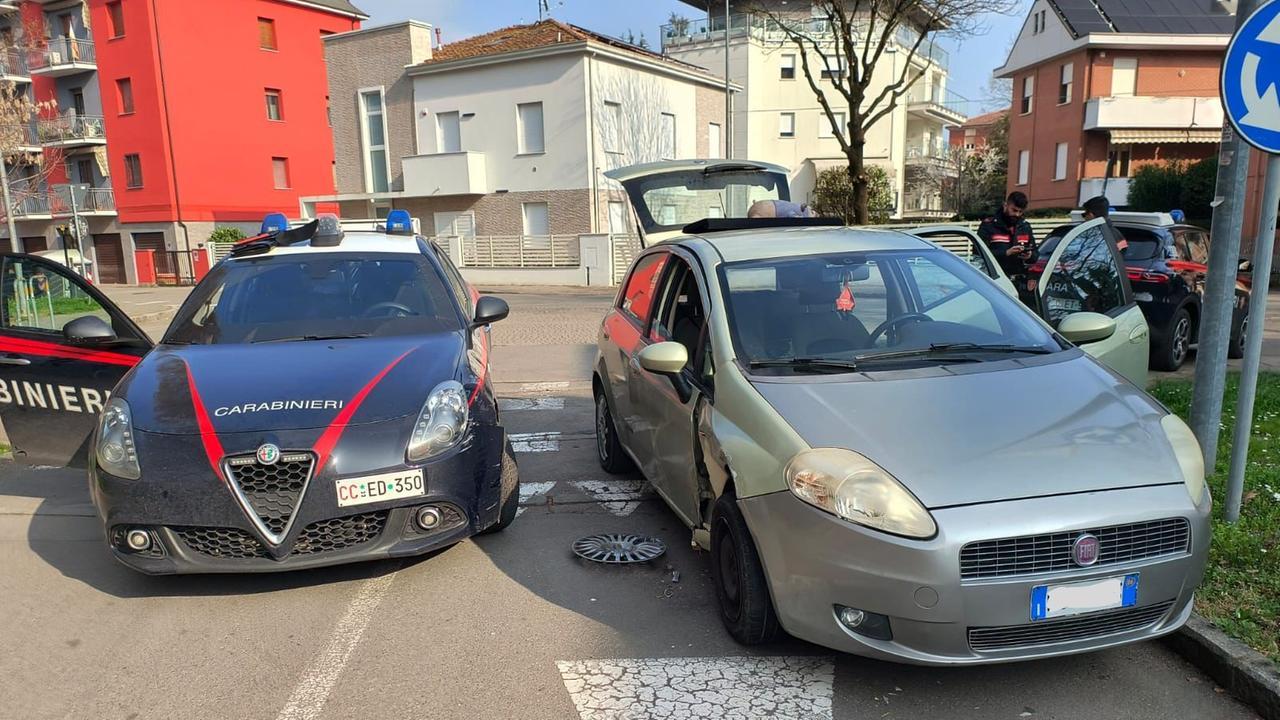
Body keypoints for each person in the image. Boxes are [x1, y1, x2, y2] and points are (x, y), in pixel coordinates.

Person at [978, 191, 1038, 306]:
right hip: (996, 282)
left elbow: (1036, 254)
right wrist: (1006, 253)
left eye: (1020, 212)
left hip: (1020, 283)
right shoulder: (989, 226)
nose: (1017, 215)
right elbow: (979, 254)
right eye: (1014, 210)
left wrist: (1029, 255)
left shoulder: (1025, 227)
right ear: (1005, 205)